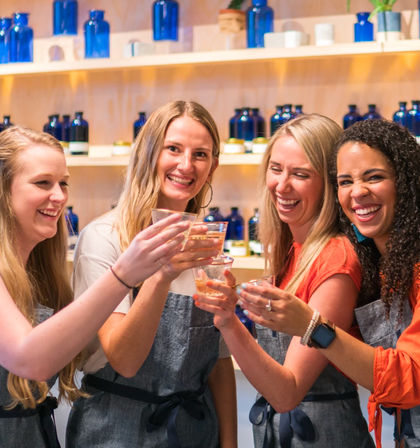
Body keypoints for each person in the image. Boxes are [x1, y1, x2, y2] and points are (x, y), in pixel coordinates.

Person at [0, 126, 191, 448]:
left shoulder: (38, 272)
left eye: (63, 183)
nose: (59, 196)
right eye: (42, 183)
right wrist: (122, 276)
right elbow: (29, 359)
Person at [235, 119, 420, 448]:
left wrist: (310, 325)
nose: (358, 192)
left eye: (374, 177)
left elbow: (407, 377)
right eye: (346, 180)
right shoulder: (386, 264)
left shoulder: (340, 258)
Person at [194, 114, 374, 447]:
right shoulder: (293, 250)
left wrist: (229, 321)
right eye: (276, 169)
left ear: (330, 183)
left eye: (301, 174)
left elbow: (286, 392)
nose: (282, 185)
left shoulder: (336, 259)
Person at [66, 100, 237, 448]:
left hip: (194, 430)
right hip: (115, 430)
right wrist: (162, 276)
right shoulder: (105, 238)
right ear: (148, 153)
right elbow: (125, 361)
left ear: (213, 166)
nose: (186, 165)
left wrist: (229, 443)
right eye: (173, 148)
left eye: (200, 154)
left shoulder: (207, 245)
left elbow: (218, 361)